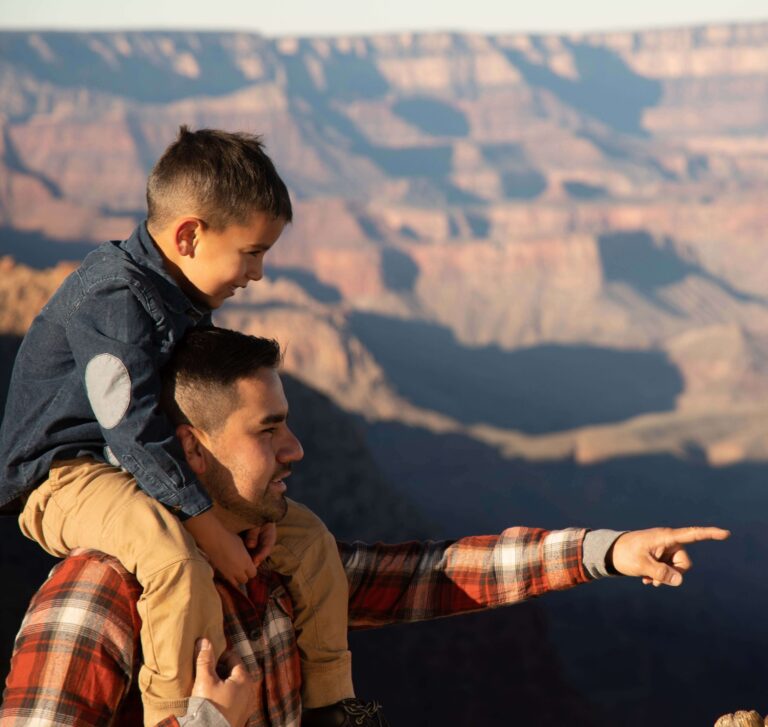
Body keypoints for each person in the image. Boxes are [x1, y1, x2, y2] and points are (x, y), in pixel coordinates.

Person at [0, 326, 731, 727]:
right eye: (270, 430)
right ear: (193, 446)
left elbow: (434, 574)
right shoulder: (95, 599)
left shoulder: (278, 560)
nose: (297, 449)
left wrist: (607, 552)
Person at [0, 128, 360, 725]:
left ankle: (333, 706)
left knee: (309, 541)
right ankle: (178, 713)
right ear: (189, 234)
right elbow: (130, 426)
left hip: (138, 471)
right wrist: (211, 527)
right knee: (176, 562)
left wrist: (238, 512)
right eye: (251, 252)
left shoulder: (176, 290)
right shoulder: (114, 297)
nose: (260, 272)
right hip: (64, 476)